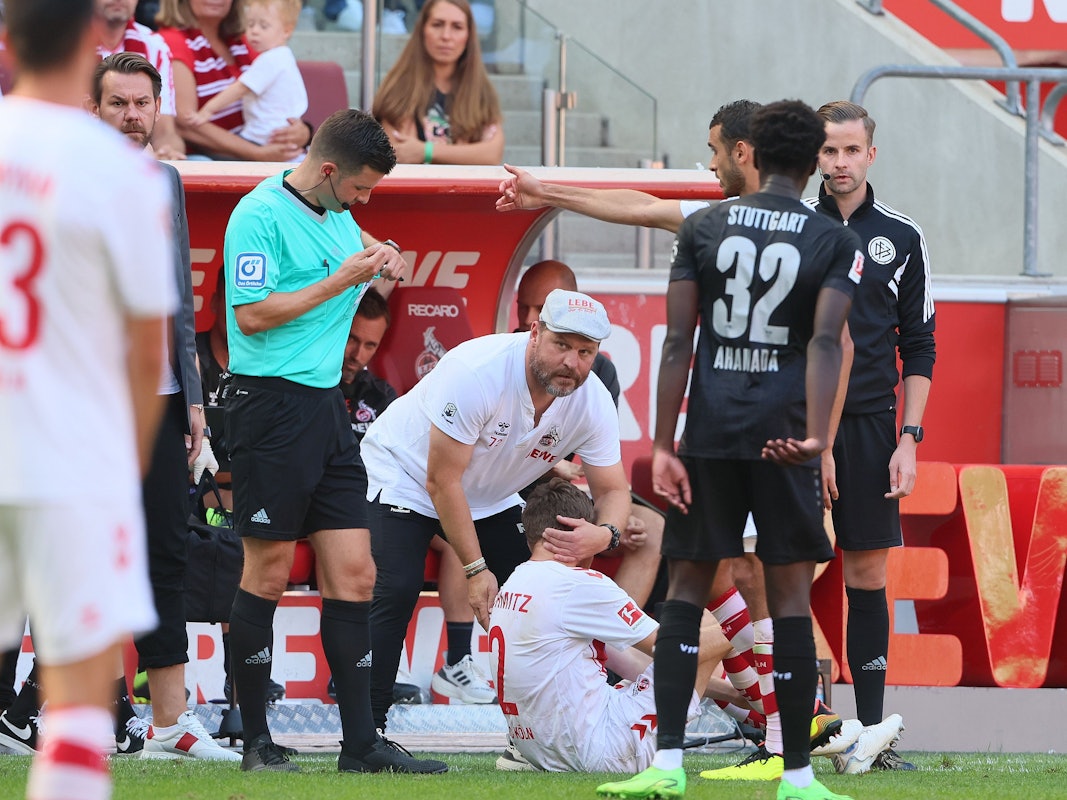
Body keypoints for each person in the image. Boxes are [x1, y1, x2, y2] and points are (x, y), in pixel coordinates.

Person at [500, 103, 859, 782]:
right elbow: (829, 343)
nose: (709, 163)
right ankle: (795, 768)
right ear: (811, 161)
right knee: (770, 592)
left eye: (714, 150)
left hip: (716, 431)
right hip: (784, 435)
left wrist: (667, 441)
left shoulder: (707, 227)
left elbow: (679, 340)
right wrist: (819, 438)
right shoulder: (826, 238)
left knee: (704, 587)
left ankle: (693, 756)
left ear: (746, 152)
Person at [223, 107, 446, 774]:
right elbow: (253, 316)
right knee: (265, 570)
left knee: (356, 572)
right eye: (359, 189)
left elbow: (352, 240)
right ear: (326, 170)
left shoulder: (334, 209)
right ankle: (256, 741)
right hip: (269, 407)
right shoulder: (256, 216)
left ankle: (360, 745)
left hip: (325, 411)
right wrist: (346, 278)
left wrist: (382, 253)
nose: (364, 201)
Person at [0, 2, 173, 797]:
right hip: (65, 455)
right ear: (95, 40)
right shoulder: (117, 172)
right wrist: (122, 471)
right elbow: (147, 354)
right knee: (73, 709)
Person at [361, 288, 634, 736]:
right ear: (534, 332)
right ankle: (366, 736)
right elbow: (441, 482)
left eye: (585, 352)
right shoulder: (478, 370)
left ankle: (564, 724)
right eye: (561, 345)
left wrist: (605, 535)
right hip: (404, 475)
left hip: (488, 493)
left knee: (544, 588)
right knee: (397, 588)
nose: (572, 362)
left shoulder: (593, 400)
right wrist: (475, 570)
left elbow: (614, 490)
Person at [89, 51, 237, 761]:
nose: (129, 116)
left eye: (140, 103)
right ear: (95, 111)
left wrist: (194, 397)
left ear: (156, 109)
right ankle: (33, 708)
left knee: (166, 553)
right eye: (116, 103)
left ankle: (169, 725)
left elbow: (178, 298)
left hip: (162, 401)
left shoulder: (166, 183)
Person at [805, 100, 935, 773]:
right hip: (793, 428)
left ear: (870, 155)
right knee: (785, 573)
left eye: (850, 150)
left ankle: (875, 738)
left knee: (865, 572)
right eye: (828, 152)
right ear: (814, 157)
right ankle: (797, 727)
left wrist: (906, 438)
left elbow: (918, 344)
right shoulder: (794, 230)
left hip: (866, 432)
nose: (839, 163)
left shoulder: (901, 237)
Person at [492, 478, 733, 773]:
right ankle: (772, 711)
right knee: (717, 618)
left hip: (542, 751)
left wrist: (731, 695)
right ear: (580, 529)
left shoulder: (515, 580)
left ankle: (755, 704)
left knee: (681, 652)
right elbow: (672, 652)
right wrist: (753, 617)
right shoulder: (577, 584)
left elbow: (636, 664)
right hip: (600, 752)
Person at [341, 288, 496, 706]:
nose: (358, 353)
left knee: (457, 541)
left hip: (394, 496)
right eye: (353, 340)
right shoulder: (315, 384)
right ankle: (358, 663)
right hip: (335, 497)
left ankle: (457, 663)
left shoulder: (382, 394)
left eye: (370, 344)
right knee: (341, 534)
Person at [514, 259, 663, 609]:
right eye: (524, 307)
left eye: (539, 307)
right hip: (508, 491)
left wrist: (609, 526)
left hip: (555, 489)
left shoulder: (600, 373)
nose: (526, 318)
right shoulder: (508, 354)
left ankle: (611, 649)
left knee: (649, 528)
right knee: (569, 527)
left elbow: (596, 470)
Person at [156, 0, 309, 160]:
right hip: (210, 156)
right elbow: (187, 124)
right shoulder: (172, 41)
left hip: (261, 146)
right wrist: (257, 153)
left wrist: (302, 132)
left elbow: (276, 94)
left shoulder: (247, 39)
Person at [373, 0, 504, 165]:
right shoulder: (398, 87)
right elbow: (400, 151)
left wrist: (426, 151)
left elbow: (491, 155)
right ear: (422, 30)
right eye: (437, 24)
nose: (446, 36)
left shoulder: (482, 92)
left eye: (457, 27)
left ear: (469, 36)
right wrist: (465, 154)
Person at [95, 0, 186, 159]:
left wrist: (167, 152)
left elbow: (166, 132)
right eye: (118, 103)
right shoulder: (61, 43)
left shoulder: (155, 45)